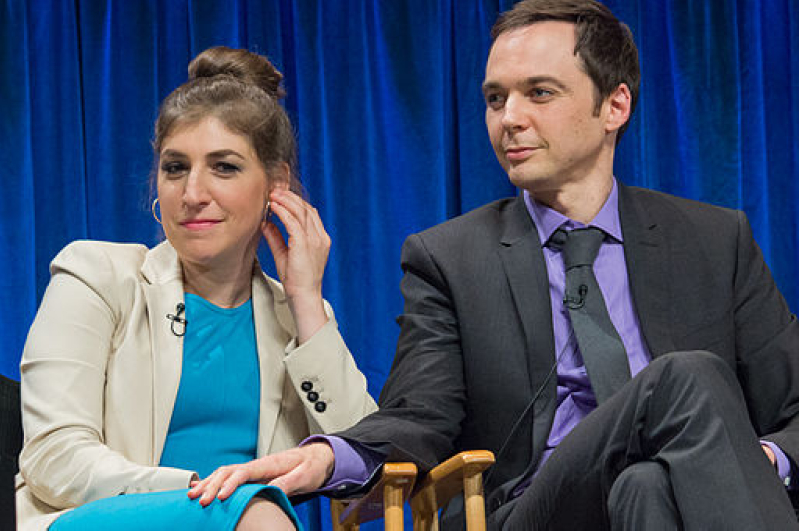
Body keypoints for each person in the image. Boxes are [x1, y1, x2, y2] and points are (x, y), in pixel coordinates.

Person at [190, 2, 799, 529]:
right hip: (533, 506)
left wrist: (756, 461)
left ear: (615, 105)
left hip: (666, 498)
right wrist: (329, 458)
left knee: (645, 487)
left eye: (539, 93)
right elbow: (418, 417)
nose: (509, 118)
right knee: (685, 377)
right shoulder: (449, 259)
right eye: (494, 98)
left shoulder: (714, 240)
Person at [15, 46, 377, 531]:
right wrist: (210, 498)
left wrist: (306, 300)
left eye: (223, 167)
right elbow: (52, 457)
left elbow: (365, 468)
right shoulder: (95, 275)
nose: (192, 194)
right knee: (260, 515)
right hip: (95, 519)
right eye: (175, 167)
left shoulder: (302, 322)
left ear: (277, 184)